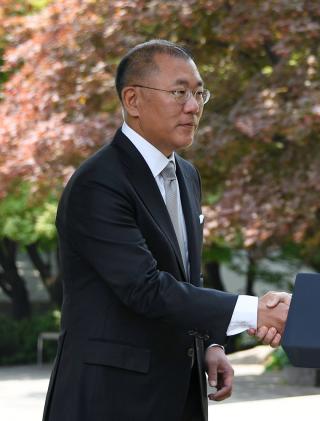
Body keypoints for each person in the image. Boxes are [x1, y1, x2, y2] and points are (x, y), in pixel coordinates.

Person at [43, 40, 290, 421]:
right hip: (112, 400)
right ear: (133, 100)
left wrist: (211, 344)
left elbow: (185, 274)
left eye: (198, 92)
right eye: (179, 92)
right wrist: (254, 311)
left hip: (180, 395)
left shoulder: (186, 175)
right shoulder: (99, 183)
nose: (193, 107)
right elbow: (144, 288)